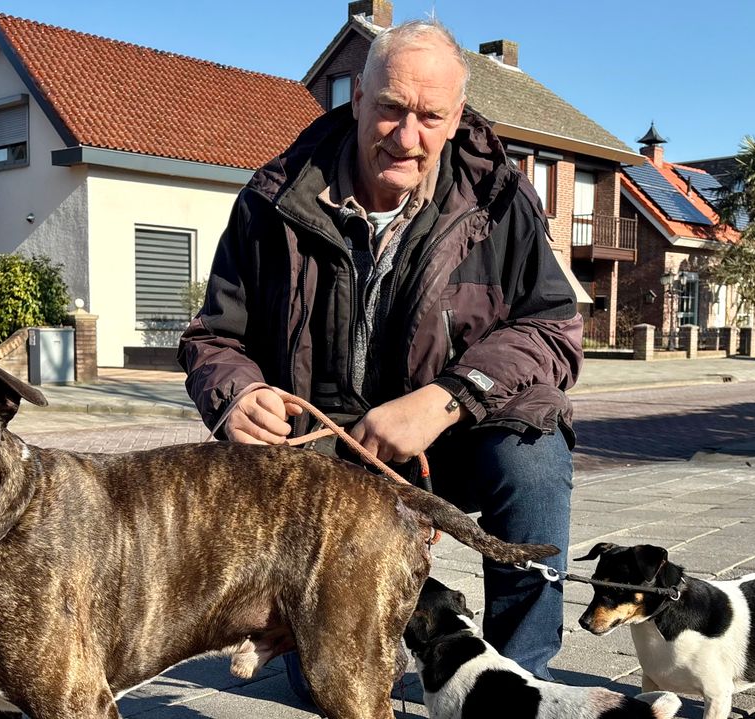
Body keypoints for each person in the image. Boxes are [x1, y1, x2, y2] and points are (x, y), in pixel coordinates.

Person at [177, 18, 582, 685]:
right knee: (333, 688)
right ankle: (341, 632)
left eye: (429, 116)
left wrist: (447, 397)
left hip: (456, 434)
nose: (406, 134)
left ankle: (520, 676)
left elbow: (553, 332)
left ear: (455, 119)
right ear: (357, 99)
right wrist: (237, 396)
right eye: (391, 108)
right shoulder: (271, 199)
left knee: (535, 450)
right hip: (328, 454)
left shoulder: (501, 201)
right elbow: (214, 337)